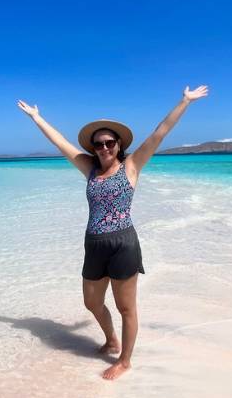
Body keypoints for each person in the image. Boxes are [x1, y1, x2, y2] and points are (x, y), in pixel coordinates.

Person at [16, 85, 209, 380]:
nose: (103, 148)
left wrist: (185, 101)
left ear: (119, 144)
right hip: (94, 244)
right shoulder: (88, 168)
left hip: (123, 244)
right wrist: (37, 118)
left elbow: (160, 133)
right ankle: (111, 339)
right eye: (98, 144)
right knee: (92, 302)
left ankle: (125, 360)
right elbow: (61, 144)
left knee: (125, 307)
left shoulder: (131, 166)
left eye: (109, 143)